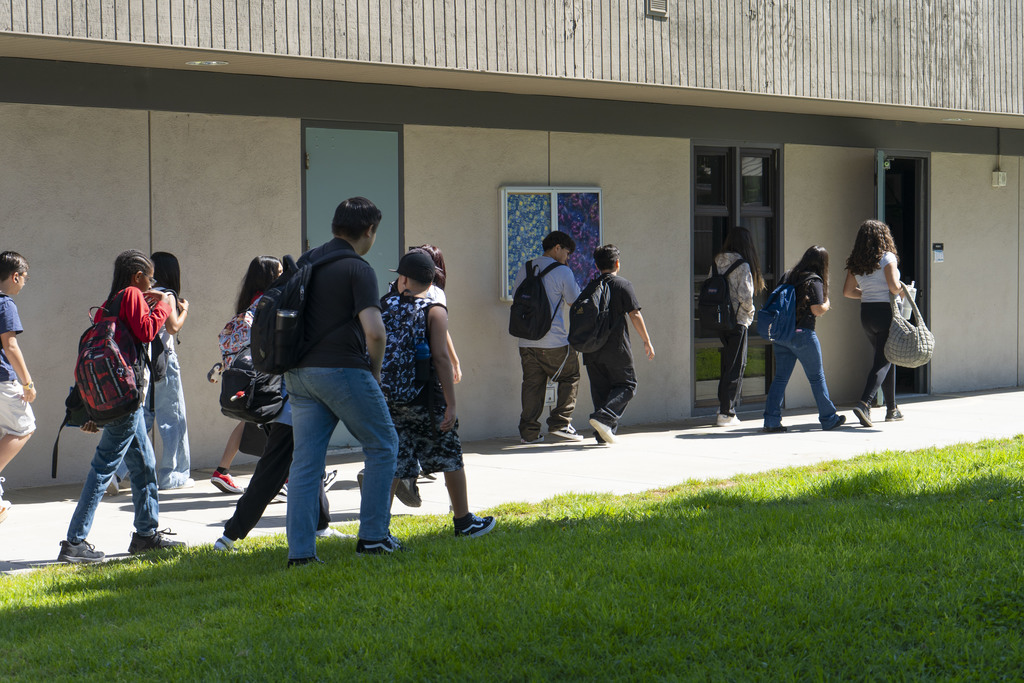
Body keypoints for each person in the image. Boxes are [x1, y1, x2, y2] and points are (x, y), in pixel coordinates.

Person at [284, 197, 401, 564]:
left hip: (298, 374)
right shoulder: (358, 269)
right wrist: (375, 371)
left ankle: (301, 554)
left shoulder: (308, 260)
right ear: (369, 231)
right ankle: (374, 538)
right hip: (342, 370)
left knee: (305, 464)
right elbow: (375, 332)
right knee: (383, 444)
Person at [57, 250, 184, 563]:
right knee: (103, 468)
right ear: (137, 276)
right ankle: (74, 542)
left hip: (119, 400)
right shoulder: (131, 294)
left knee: (145, 466)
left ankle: (146, 535)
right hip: (127, 399)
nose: (151, 284)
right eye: (149, 278)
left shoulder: (107, 305)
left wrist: (94, 410)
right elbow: (147, 331)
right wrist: (165, 304)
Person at [213, 257, 347, 551]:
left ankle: (321, 526)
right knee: (271, 474)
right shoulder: (281, 307)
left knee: (309, 462)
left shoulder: (260, 305)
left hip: (277, 400)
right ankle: (229, 536)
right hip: (288, 403)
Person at [379, 250, 496, 537]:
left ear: (402, 279)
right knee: (449, 455)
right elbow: (441, 358)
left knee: (393, 461)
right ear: (431, 283)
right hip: (426, 399)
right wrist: (451, 404)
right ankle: (464, 521)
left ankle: (377, 529)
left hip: (388, 399)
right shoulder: (435, 310)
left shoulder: (382, 305)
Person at [113, 251, 193, 490]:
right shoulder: (166, 295)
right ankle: (172, 475)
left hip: (143, 364)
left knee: (143, 418)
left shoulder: (142, 294)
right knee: (174, 418)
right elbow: (173, 327)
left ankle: (117, 473)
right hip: (164, 362)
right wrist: (185, 309)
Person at [209, 256, 284, 495]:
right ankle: (284, 479)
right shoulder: (269, 302)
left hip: (246, 374)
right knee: (281, 422)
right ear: (269, 276)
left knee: (250, 420)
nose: (283, 276)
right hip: (266, 373)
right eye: (279, 272)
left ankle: (222, 470)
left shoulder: (249, 303)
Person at [762, 246, 847, 433]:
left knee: (780, 378)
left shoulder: (788, 276)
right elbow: (817, 309)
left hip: (782, 335)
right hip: (803, 335)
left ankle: (771, 420)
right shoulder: (813, 280)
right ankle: (829, 418)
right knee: (816, 377)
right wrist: (827, 303)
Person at [512, 231, 583, 444]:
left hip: (526, 340)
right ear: (557, 247)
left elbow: (516, 297)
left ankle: (529, 433)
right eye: (567, 253)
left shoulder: (525, 268)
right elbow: (574, 301)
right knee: (571, 375)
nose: (567, 258)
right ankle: (561, 423)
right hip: (553, 341)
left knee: (532, 384)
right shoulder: (562, 271)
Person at [583, 245, 655, 445]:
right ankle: (604, 418)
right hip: (616, 347)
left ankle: (603, 435)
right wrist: (647, 341)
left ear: (596, 265)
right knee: (627, 385)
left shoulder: (590, 286)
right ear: (617, 263)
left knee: (601, 390)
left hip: (591, 348)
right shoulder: (623, 285)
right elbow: (635, 314)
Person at [843, 219, 905, 426]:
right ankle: (864, 404)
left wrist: (869, 292)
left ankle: (892, 409)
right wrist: (905, 290)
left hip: (867, 313)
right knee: (883, 361)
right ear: (884, 237)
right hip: (887, 312)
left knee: (886, 357)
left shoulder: (856, 262)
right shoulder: (887, 257)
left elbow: (848, 291)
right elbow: (894, 287)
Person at [710, 228, 765, 427]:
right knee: (736, 365)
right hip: (738, 320)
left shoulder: (717, 261)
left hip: (720, 319)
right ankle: (727, 412)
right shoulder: (743, 264)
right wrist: (750, 313)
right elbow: (746, 296)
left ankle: (723, 407)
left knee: (727, 363)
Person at [0, 251, 36, 525]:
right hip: (3, 380)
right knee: (24, 427)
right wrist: (28, 383)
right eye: (24, 278)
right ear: (15, 276)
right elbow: (10, 345)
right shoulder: (5, 304)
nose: (24, 283)